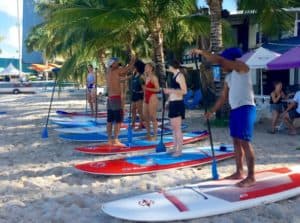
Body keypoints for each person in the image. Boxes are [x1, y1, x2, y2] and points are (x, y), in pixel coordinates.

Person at [191, 47, 256, 188]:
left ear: (229, 60)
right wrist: (212, 111)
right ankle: (239, 171)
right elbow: (223, 98)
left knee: (245, 142)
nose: (221, 66)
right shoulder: (229, 77)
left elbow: (219, 59)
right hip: (235, 110)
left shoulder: (242, 68)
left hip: (246, 109)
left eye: (222, 63)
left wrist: (201, 52)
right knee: (236, 142)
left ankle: (251, 176)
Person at [106, 56, 136, 145]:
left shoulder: (108, 72)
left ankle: (109, 140)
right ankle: (115, 139)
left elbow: (119, 79)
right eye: (117, 62)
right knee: (118, 120)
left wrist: (129, 77)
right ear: (113, 63)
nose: (118, 64)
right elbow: (128, 68)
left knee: (110, 120)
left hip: (110, 98)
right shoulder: (117, 71)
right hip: (115, 98)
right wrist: (132, 60)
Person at [163, 60, 187, 156]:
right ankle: (174, 147)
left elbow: (184, 91)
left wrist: (170, 90)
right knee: (174, 128)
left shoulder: (180, 76)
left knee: (177, 128)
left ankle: (179, 150)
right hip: (173, 103)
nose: (167, 67)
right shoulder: (173, 76)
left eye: (168, 65)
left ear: (172, 66)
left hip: (178, 104)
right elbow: (173, 91)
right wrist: (167, 101)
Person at [143, 62, 160, 141]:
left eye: (147, 67)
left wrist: (147, 89)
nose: (145, 68)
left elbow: (158, 89)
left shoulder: (154, 78)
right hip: (146, 98)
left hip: (152, 97)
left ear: (151, 68)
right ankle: (148, 134)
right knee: (146, 117)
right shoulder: (145, 77)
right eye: (145, 67)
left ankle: (155, 135)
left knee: (153, 117)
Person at [131, 60, 145, 130]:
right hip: (134, 94)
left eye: (135, 66)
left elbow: (144, 88)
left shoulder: (141, 76)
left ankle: (140, 125)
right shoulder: (134, 74)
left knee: (140, 111)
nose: (134, 67)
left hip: (139, 95)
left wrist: (141, 92)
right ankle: (133, 124)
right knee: (133, 109)